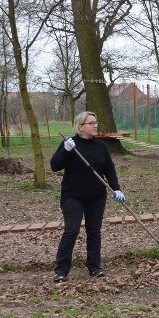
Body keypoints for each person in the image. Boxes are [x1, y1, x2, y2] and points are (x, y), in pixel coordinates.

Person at [50, 111, 126, 282]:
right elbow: (55, 166)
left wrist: (116, 189)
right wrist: (65, 151)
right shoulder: (70, 143)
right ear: (81, 126)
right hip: (72, 196)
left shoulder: (101, 146)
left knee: (94, 231)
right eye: (91, 123)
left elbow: (109, 170)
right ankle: (61, 270)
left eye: (96, 122)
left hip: (97, 197)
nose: (95, 125)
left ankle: (94, 267)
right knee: (71, 231)